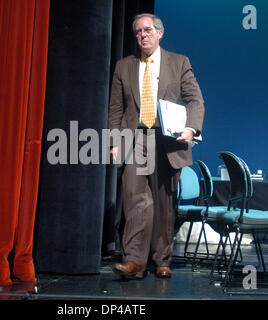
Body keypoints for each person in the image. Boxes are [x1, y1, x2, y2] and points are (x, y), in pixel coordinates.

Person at [108, 13, 204, 279]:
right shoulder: (123, 66)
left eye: (148, 30)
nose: (143, 35)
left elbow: (195, 100)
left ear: (160, 33)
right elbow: (116, 109)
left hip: (168, 141)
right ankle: (134, 262)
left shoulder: (179, 62)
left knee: (163, 202)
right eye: (138, 31)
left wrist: (191, 128)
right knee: (135, 200)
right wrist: (114, 142)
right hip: (135, 139)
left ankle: (162, 260)